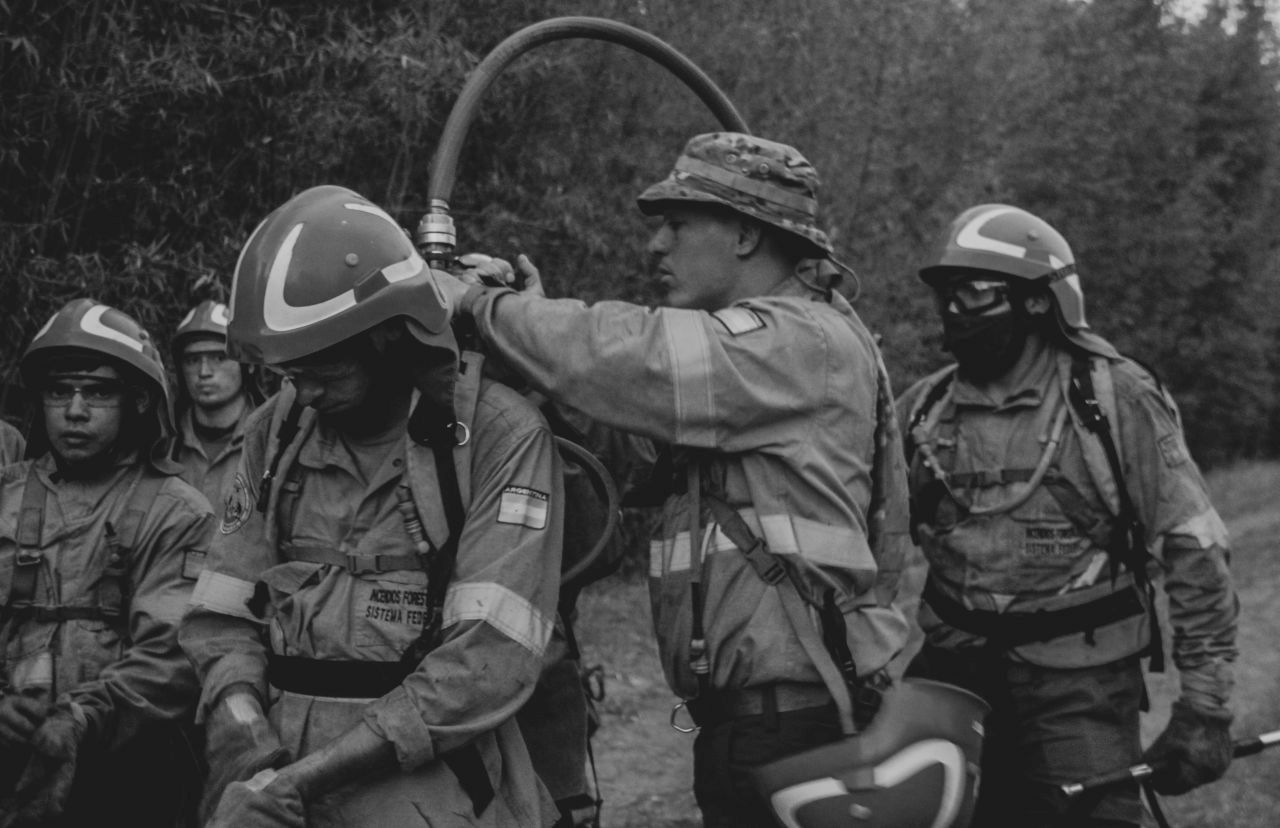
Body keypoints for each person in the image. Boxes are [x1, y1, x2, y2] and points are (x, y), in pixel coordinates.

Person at [433, 132, 913, 828]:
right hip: (754, 724)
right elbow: (626, 430)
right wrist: (527, 335)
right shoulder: (749, 364)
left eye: (677, 223)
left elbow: (638, 359)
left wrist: (484, 308)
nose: (656, 245)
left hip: (799, 726)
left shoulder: (797, 340)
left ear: (747, 234)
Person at [179, 185, 566, 827]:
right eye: (285, 372)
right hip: (272, 786)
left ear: (387, 337)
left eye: (321, 370)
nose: (301, 393)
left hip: (431, 791)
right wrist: (242, 725)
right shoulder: (274, 433)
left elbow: (484, 665)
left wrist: (301, 780)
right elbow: (220, 612)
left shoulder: (497, 436)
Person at [897, 204, 1240, 826]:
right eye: (947, 295)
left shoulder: (1113, 400)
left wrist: (1205, 708)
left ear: (1038, 302)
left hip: (1078, 687)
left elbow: (1197, 546)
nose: (954, 312)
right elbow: (867, 547)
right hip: (952, 679)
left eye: (976, 293)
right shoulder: (922, 413)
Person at [0, 298, 210, 825]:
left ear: (138, 401)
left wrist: (81, 718)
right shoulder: (4, 497)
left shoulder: (178, 512)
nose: (74, 410)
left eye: (97, 392)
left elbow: (173, 655)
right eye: (59, 391)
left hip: (130, 776)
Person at [170, 299, 263, 509]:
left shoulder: (273, 439)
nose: (204, 372)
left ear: (248, 365)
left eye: (219, 358)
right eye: (193, 360)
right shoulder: (162, 442)